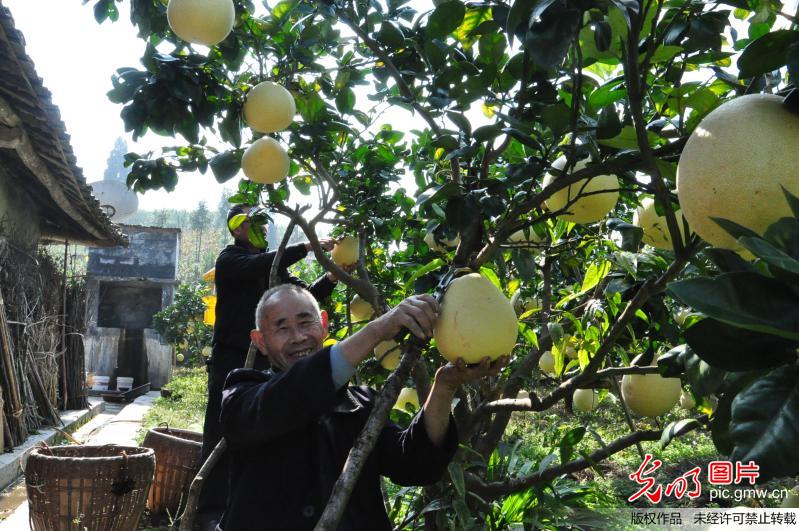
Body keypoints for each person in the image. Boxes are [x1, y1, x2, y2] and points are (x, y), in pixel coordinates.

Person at [218, 284, 508, 530]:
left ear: (323, 324)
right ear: (260, 341)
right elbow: (289, 397)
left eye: (305, 323)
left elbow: (415, 465)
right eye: (282, 328)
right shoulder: (242, 393)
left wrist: (444, 386)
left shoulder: (360, 402)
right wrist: (377, 330)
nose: (298, 337)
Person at [198, 204, 339, 526]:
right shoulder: (230, 259)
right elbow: (259, 264)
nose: (263, 227)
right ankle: (208, 513)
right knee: (220, 434)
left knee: (264, 431)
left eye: (264, 221)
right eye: (255, 221)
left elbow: (306, 296)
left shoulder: (274, 270)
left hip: (267, 360)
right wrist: (306, 247)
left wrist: (332, 276)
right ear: (237, 228)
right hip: (231, 359)